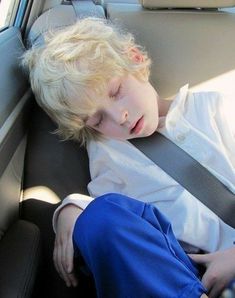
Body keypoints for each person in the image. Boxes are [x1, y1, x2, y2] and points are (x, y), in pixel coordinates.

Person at [22, 17, 235, 297]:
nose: (118, 118)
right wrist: (71, 208)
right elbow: (114, 215)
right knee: (99, 218)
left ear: (134, 60)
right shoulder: (110, 154)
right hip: (188, 276)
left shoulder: (215, 109)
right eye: (97, 120)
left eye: (116, 92)